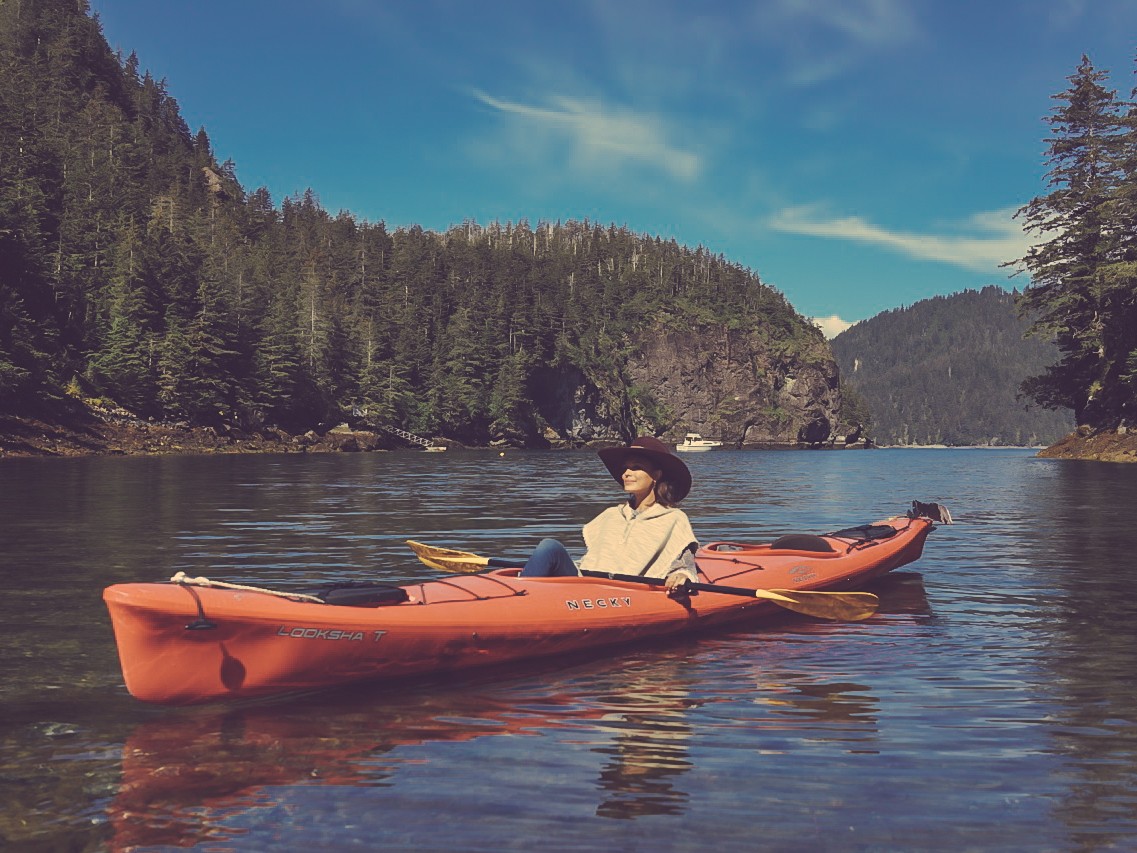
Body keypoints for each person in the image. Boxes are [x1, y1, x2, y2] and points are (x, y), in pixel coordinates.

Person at [520, 436, 698, 592]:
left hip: (626, 594)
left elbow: (684, 565)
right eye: (625, 468)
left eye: (636, 467)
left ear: (656, 475)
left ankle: (520, 602)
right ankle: (517, 596)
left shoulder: (674, 518)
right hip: (586, 585)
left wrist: (681, 576)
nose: (626, 474)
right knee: (549, 547)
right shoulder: (611, 515)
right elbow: (594, 559)